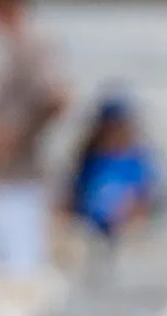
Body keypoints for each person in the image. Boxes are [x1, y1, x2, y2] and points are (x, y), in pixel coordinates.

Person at [0, 0, 68, 275]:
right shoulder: (12, 43)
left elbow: (56, 97)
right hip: (2, 174)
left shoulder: (32, 40)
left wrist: (19, 138)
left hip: (21, 176)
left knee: (19, 270)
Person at [64, 91, 159, 244]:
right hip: (89, 228)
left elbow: (145, 200)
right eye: (110, 126)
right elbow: (72, 196)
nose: (114, 132)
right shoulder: (88, 158)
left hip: (124, 229)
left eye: (119, 126)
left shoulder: (137, 160)